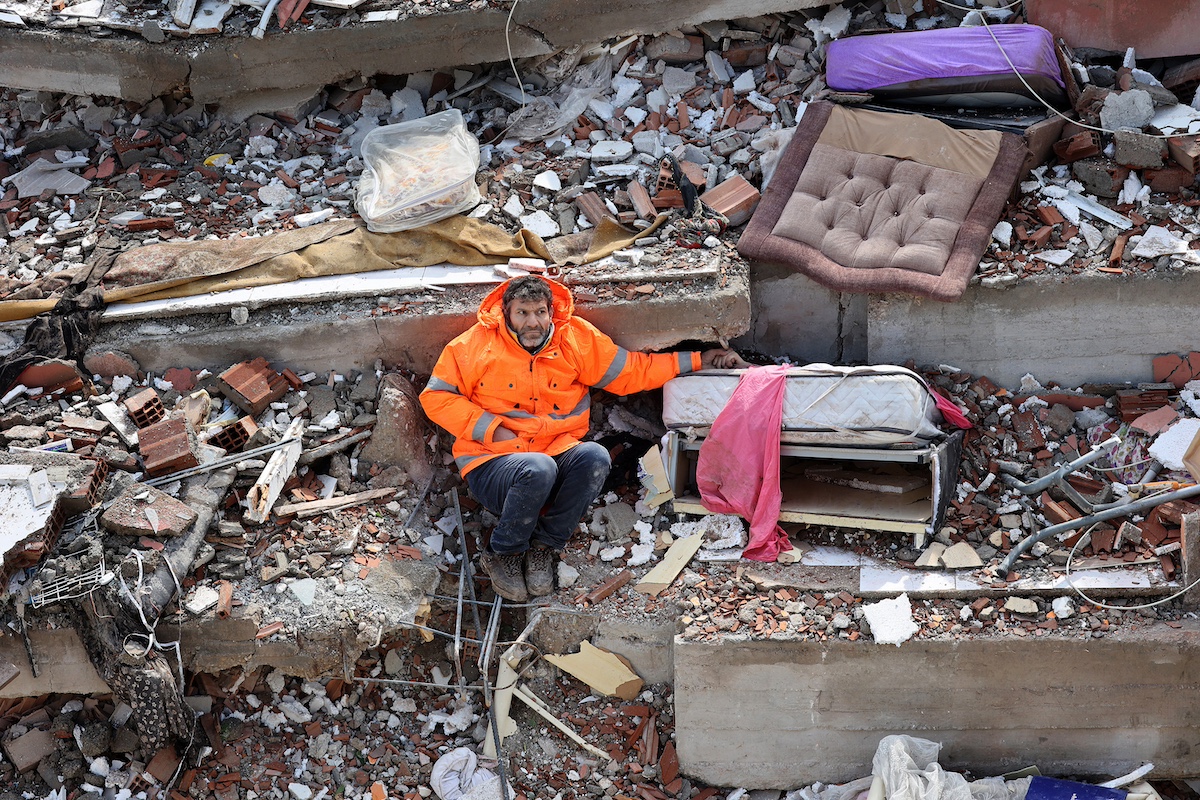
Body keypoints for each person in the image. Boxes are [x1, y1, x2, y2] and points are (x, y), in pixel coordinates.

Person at [420, 275, 745, 602]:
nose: (533, 322)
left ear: (550, 312)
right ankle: (504, 552)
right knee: (538, 468)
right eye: (522, 313)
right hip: (492, 467)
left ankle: (545, 548)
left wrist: (701, 360)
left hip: (554, 460)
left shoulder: (574, 338)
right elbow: (436, 397)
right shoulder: (474, 344)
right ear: (506, 313)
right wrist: (492, 428)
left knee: (594, 458)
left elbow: (632, 372)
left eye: (540, 312)